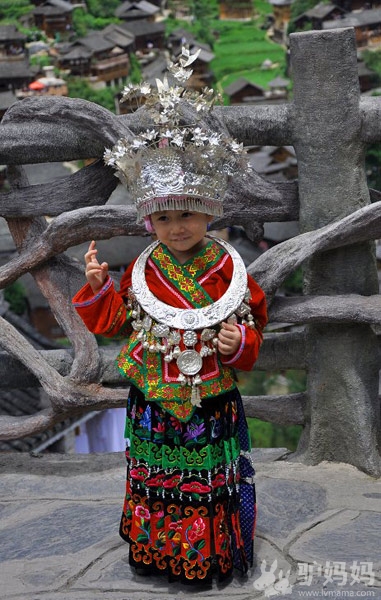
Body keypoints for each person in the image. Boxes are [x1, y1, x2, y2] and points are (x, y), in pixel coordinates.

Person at [72, 48, 268, 584]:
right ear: (149, 220)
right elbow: (113, 322)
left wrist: (237, 345)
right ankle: (161, 553)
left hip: (211, 395)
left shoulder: (232, 270)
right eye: (164, 217)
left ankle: (208, 556)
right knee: (156, 477)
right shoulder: (140, 269)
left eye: (187, 214)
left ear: (208, 212)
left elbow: (252, 325)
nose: (177, 227)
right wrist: (97, 289)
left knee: (208, 478)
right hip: (154, 396)